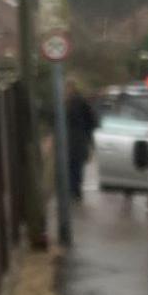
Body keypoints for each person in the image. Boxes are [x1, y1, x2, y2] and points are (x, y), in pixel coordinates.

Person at [60, 83, 99, 244]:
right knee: (75, 167)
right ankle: (75, 191)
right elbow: (93, 122)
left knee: (73, 167)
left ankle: (74, 191)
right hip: (77, 140)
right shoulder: (77, 103)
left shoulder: (72, 104)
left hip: (73, 140)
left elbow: (92, 121)